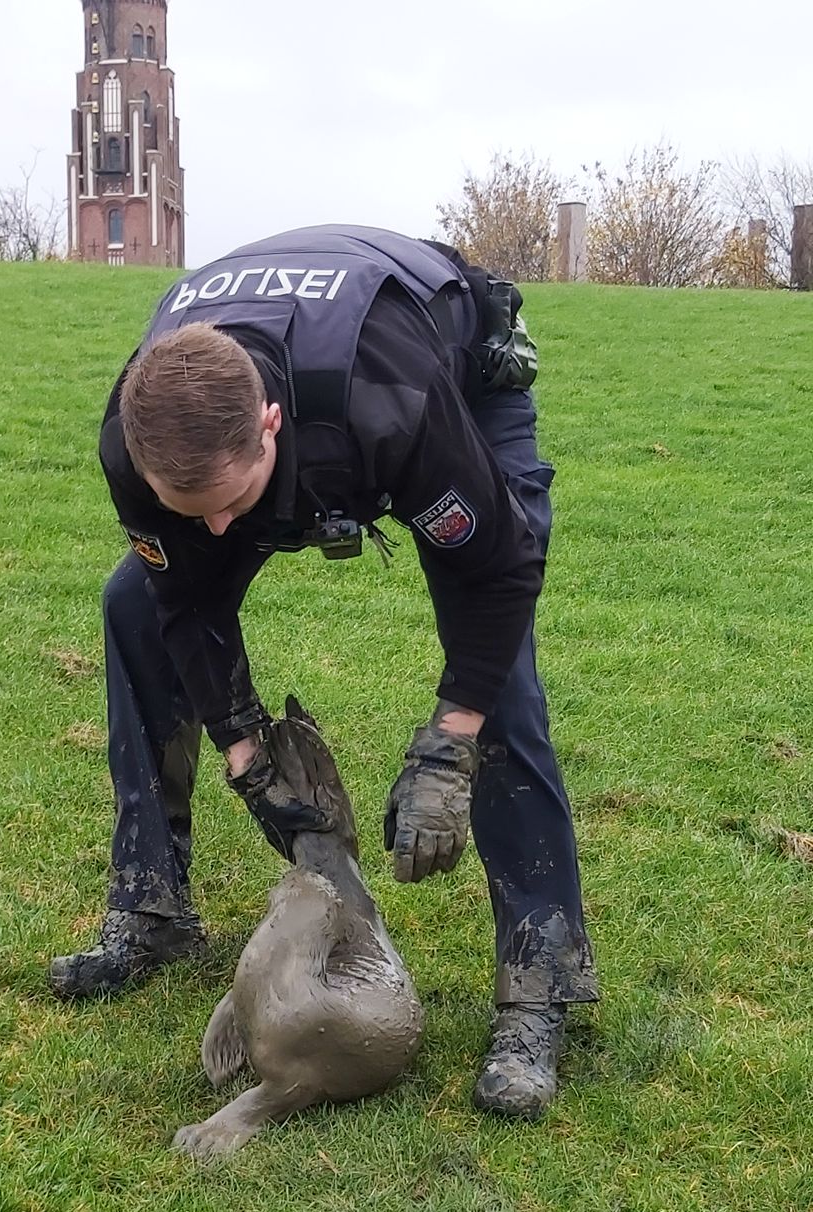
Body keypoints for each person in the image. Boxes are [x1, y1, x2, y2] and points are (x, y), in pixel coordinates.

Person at [49, 224, 599, 1117]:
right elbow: (186, 603)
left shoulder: (394, 399)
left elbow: (497, 573)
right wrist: (246, 757)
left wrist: (447, 744)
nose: (218, 532)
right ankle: (151, 911)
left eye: (229, 504)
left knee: (504, 674)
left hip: (444, 369)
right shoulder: (133, 438)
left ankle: (539, 987)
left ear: (269, 424)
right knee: (132, 607)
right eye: (191, 511)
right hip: (293, 418)